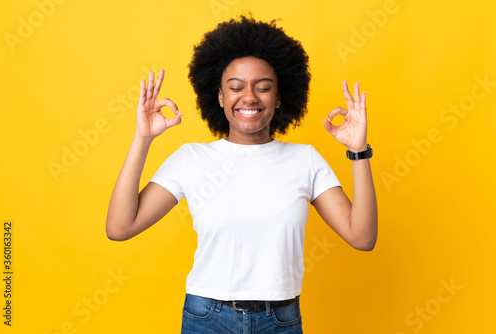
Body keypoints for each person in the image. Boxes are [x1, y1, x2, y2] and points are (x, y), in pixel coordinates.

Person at [106, 15, 377, 334]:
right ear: (219, 97)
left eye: (263, 88)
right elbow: (120, 227)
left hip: (281, 319)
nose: (249, 97)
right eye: (235, 87)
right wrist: (143, 138)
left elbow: (362, 237)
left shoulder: (305, 160)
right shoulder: (191, 159)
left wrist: (358, 151)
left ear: (279, 97)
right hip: (207, 318)